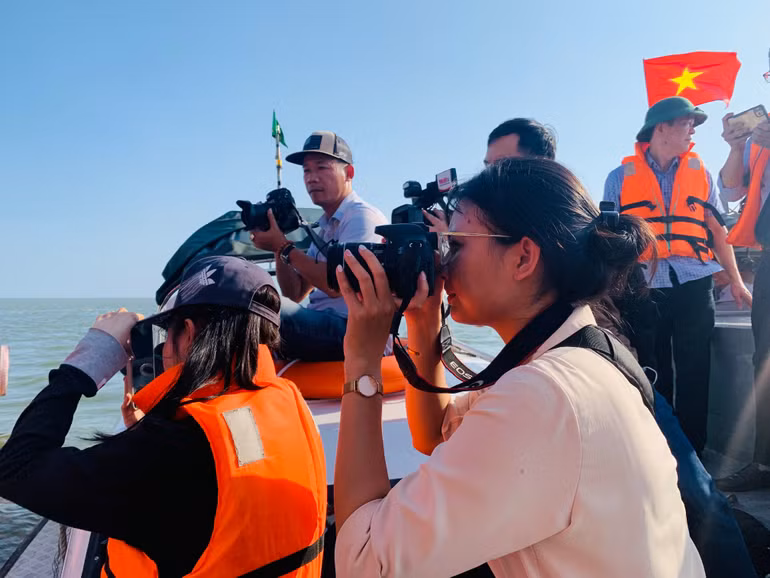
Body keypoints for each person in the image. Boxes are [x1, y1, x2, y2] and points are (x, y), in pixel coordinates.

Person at [332, 158, 704, 577]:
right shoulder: (583, 350)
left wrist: (361, 361)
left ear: (523, 257)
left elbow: (361, 560)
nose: (442, 264)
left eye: (455, 245)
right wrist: (423, 320)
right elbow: (433, 434)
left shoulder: (544, 395)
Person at [474, 118, 756, 577]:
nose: (490, 180)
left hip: (618, 380)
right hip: (558, 391)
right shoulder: (498, 241)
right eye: (487, 168)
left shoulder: (570, 232)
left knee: (697, 495)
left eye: (502, 167)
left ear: (544, 168)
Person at [0, 256, 327, 577]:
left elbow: (15, 468)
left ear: (187, 331)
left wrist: (88, 360)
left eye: (165, 332)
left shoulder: (167, 450)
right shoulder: (287, 401)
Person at [603, 96, 752, 456]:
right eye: (687, 123)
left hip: (695, 283)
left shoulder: (700, 173)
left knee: (695, 371)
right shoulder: (619, 177)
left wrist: (735, 280)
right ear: (662, 128)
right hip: (642, 285)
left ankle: (693, 458)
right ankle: (657, 454)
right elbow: (607, 239)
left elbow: (719, 233)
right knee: (652, 371)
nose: (693, 131)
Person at [250, 131, 387, 361]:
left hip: (354, 329)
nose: (311, 178)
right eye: (306, 171)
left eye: (322, 168)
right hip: (325, 326)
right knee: (250, 305)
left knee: (261, 310)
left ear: (349, 173)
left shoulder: (362, 217)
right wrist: (278, 245)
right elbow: (294, 292)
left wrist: (284, 247)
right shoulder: (324, 227)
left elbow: (337, 286)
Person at [715, 112, 770, 491]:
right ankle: (764, 465)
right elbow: (731, 190)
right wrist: (737, 147)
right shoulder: (757, 140)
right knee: (763, 357)